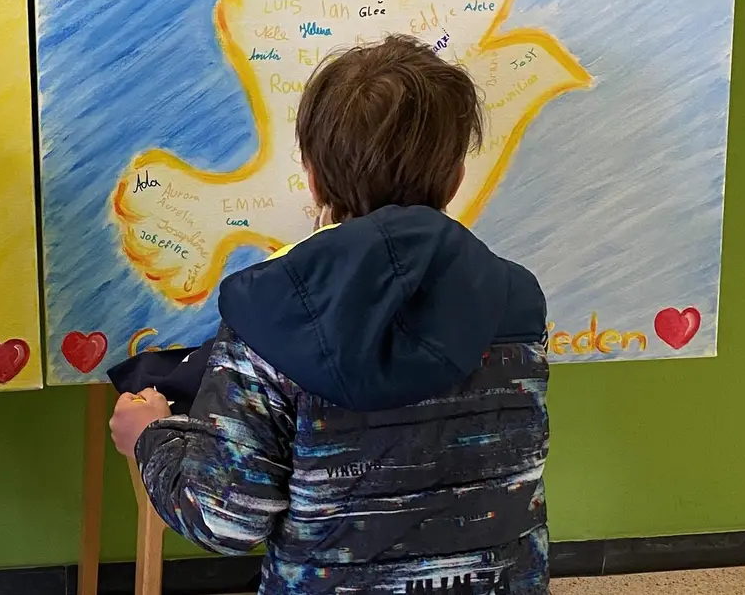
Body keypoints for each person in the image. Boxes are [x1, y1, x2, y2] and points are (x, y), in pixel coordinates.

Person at [110, 35, 550, 595]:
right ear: (456, 179)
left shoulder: (268, 313)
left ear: (313, 178)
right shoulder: (516, 299)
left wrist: (151, 439)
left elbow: (228, 520)